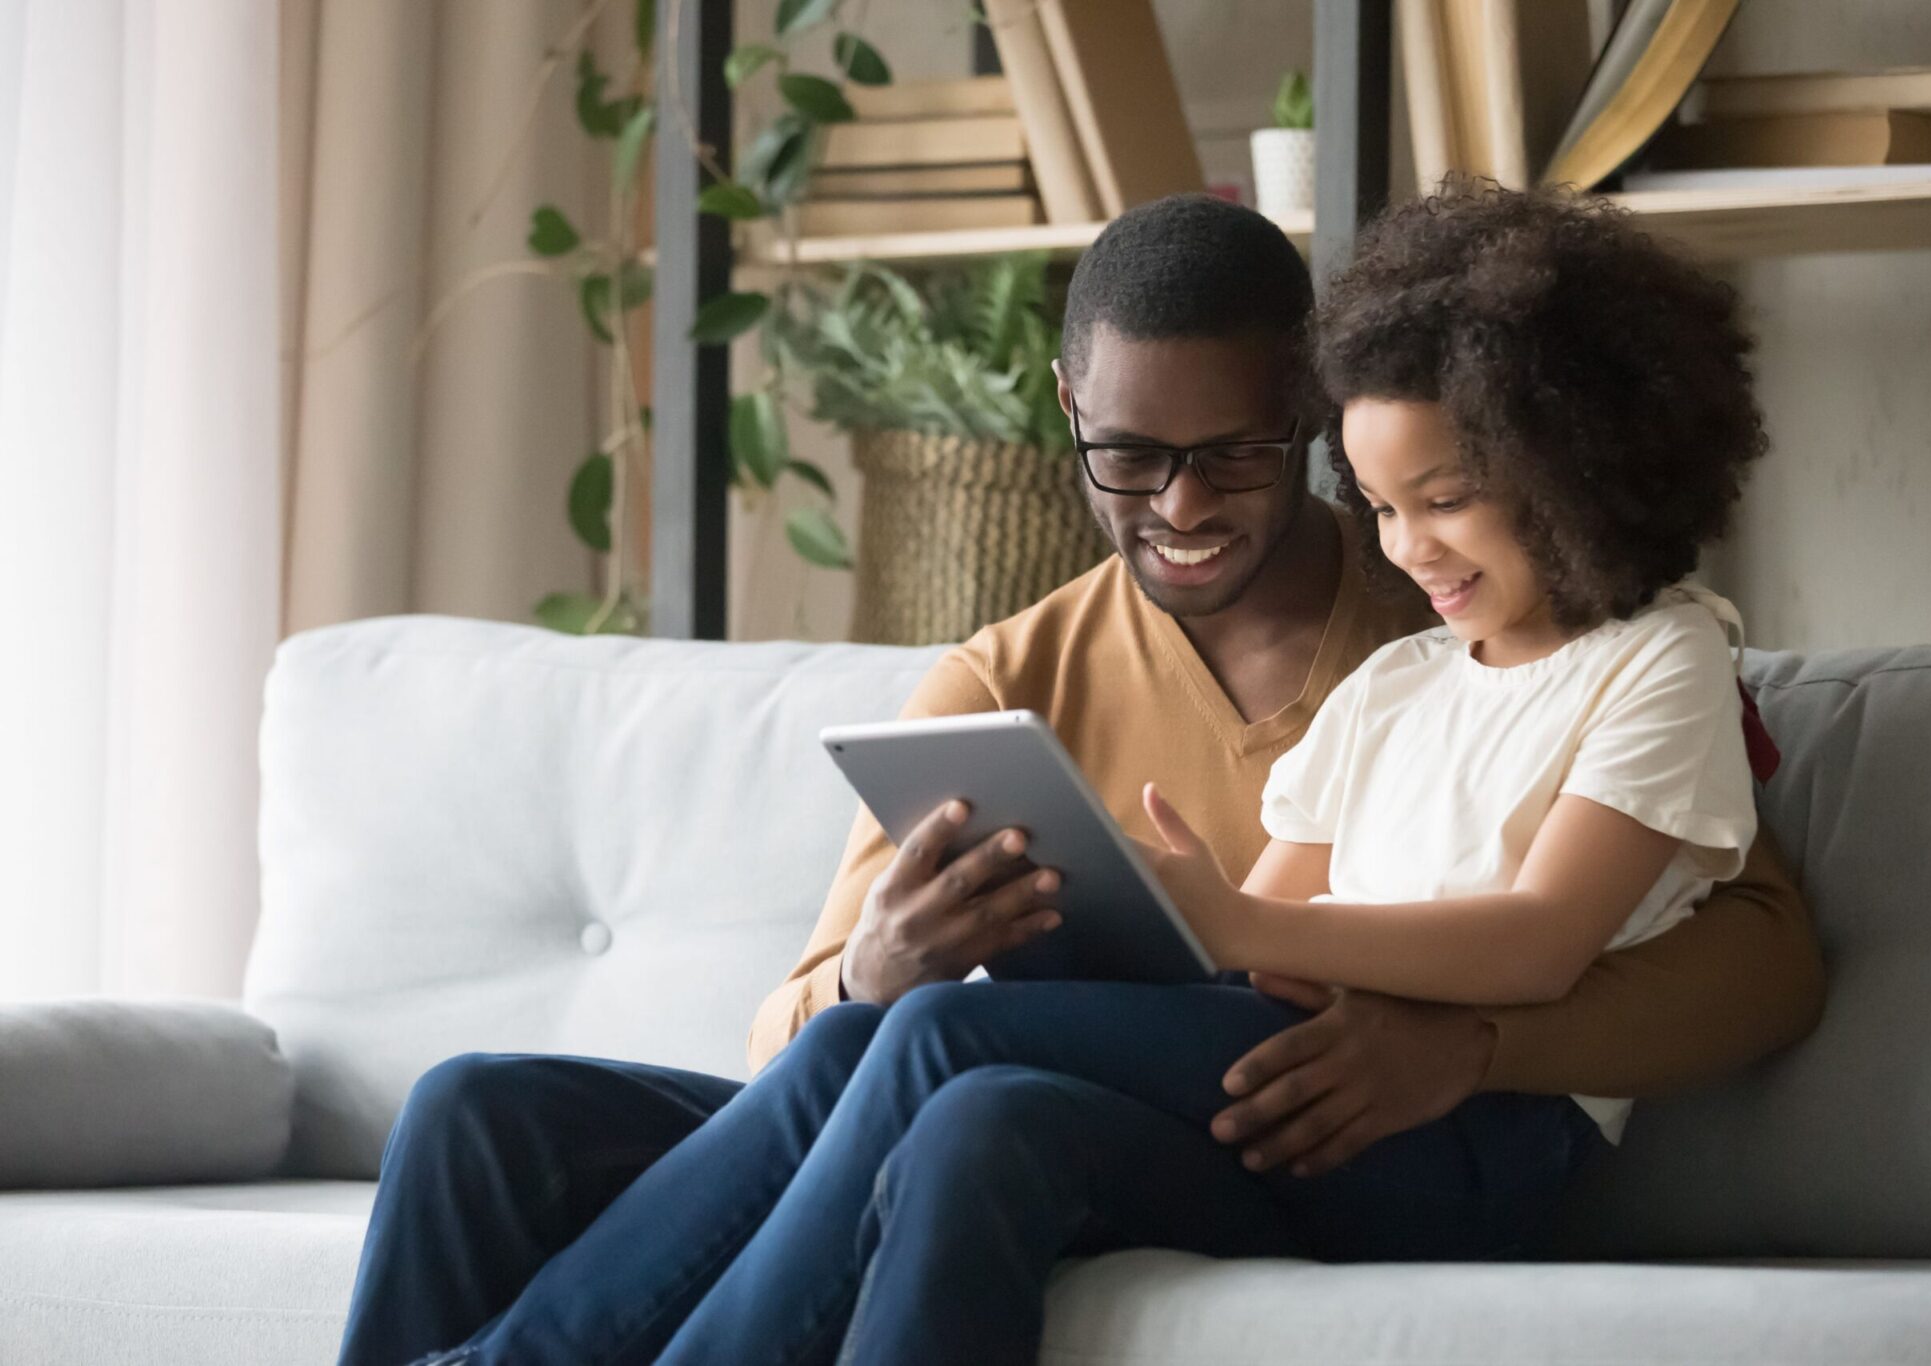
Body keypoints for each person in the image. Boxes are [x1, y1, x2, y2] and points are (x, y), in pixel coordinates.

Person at [338, 190, 1824, 1366]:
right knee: (481, 1107)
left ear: (1303, 414)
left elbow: (1750, 959)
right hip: (1030, 1074)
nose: (1179, 507)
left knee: (958, 1085)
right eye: (1131, 458)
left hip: (1289, 1107)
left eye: (1232, 458)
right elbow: (795, 1039)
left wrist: (1476, 1043)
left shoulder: (1473, 621)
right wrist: (878, 965)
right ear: (1069, 413)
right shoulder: (1021, 681)